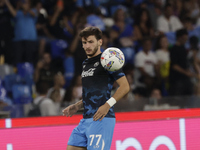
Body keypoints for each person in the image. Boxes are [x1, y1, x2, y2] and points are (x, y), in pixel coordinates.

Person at [62, 26, 130, 150]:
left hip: (101, 119)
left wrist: (107, 105)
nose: (87, 46)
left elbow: (125, 87)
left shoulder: (108, 60)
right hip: (86, 119)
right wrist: (77, 105)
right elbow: (93, 92)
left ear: (100, 42)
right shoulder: (85, 64)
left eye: (91, 42)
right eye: (84, 42)